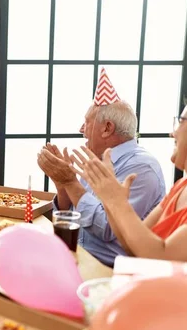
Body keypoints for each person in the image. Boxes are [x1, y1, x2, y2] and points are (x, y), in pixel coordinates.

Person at [37, 69, 165, 266]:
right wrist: (62, 186)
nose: (81, 129)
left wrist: (71, 183)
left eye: (87, 122)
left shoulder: (142, 168)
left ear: (107, 128)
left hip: (108, 269)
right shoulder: (98, 161)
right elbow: (74, 215)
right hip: (78, 257)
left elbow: (107, 228)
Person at [70, 91, 187, 263]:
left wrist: (116, 201)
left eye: (180, 122)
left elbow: (159, 256)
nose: (172, 133)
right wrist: (110, 199)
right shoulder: (182, 186)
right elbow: (132, 246)